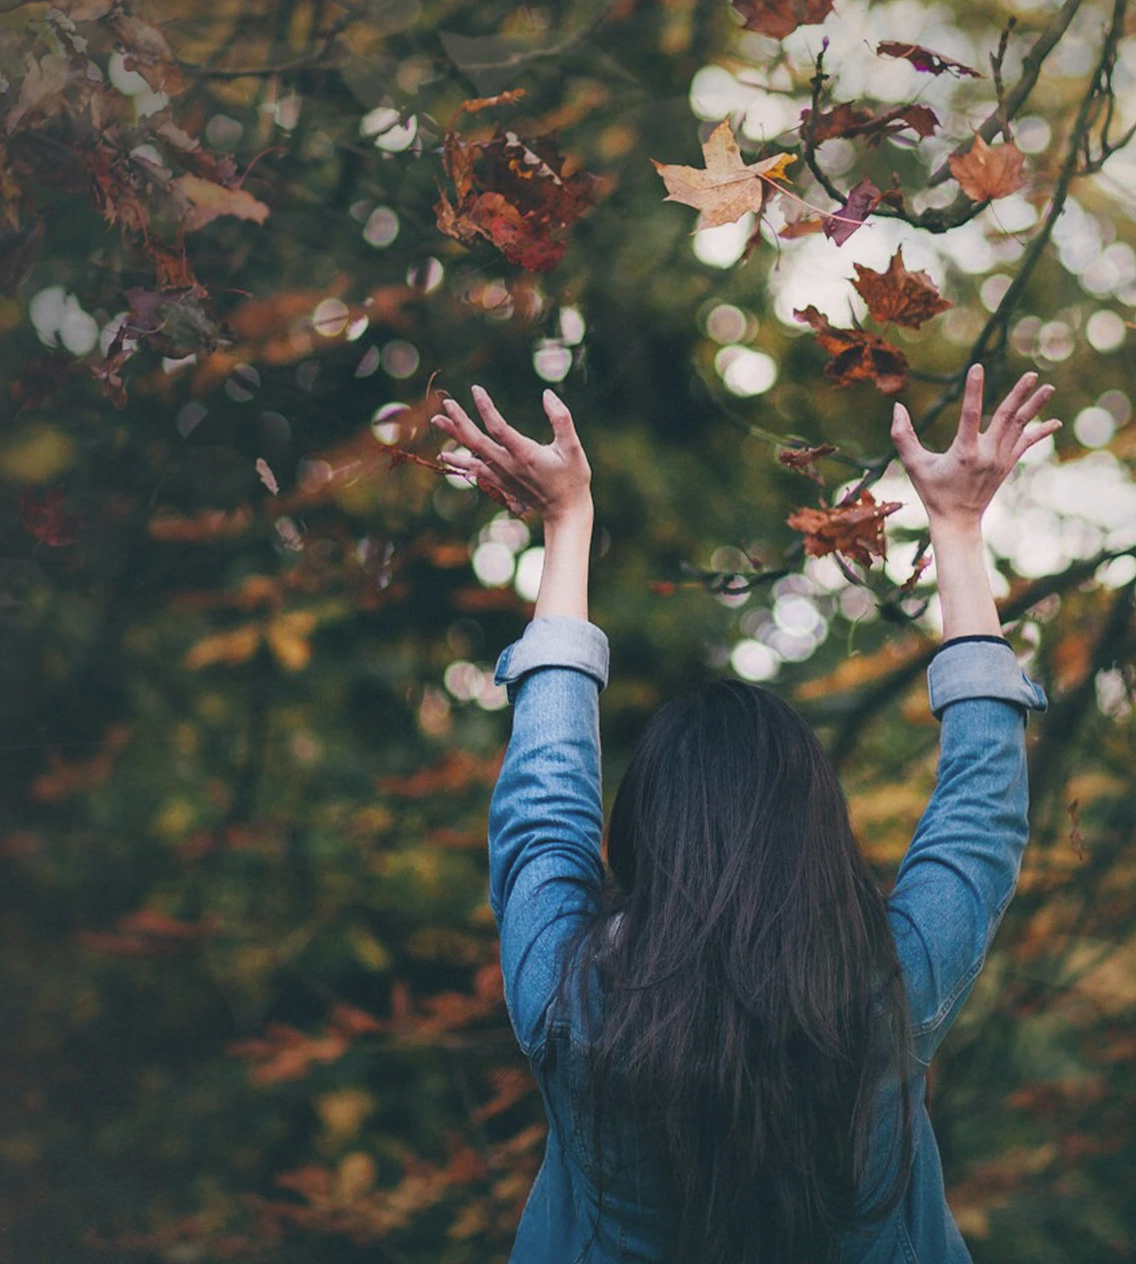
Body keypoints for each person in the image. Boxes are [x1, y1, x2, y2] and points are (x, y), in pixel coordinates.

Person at [427, 366, 1062, 1263]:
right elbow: (981, 812)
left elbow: (545, 805)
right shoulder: (888, 996)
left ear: (644, 839)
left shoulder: (571, 1005)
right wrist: (957, 532)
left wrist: (567, 527)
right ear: (817, 837)